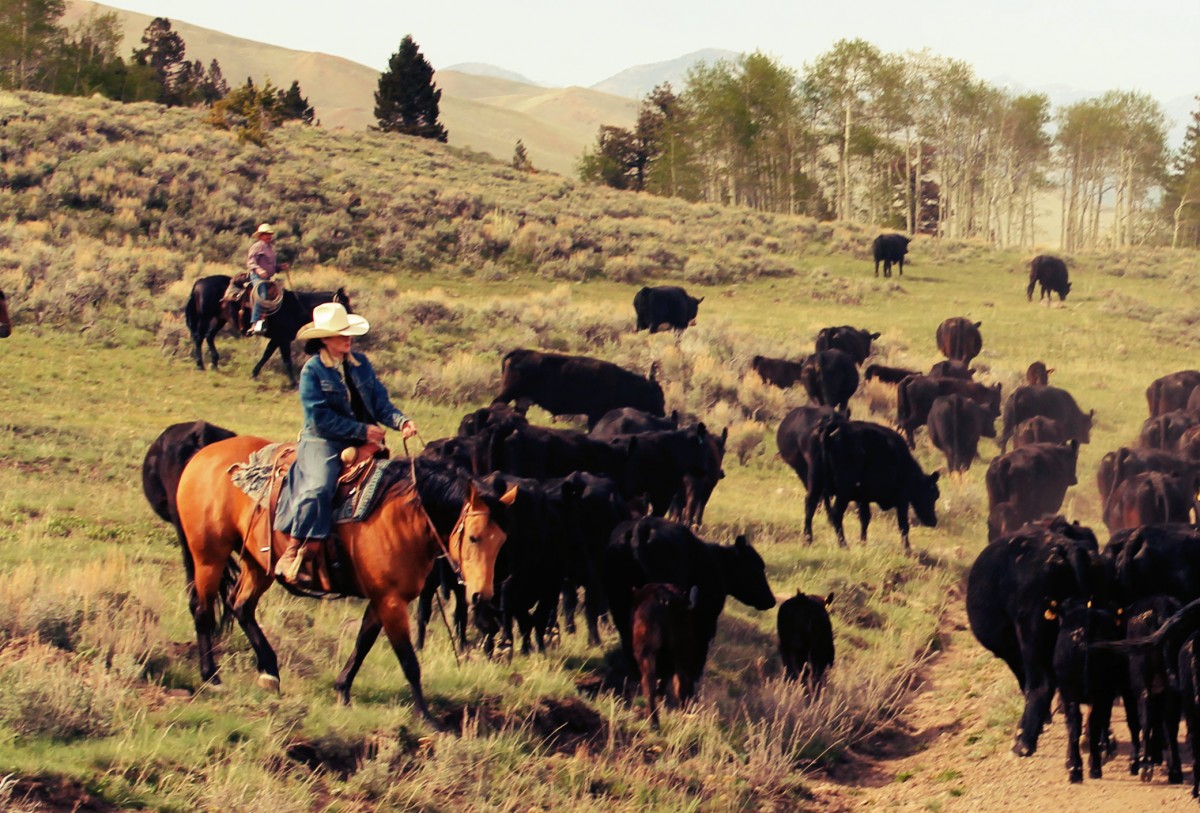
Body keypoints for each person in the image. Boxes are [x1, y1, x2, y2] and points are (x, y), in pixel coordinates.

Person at [273, 302, 417, 584]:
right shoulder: (312, 371)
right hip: (322, 441)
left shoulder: (361, 364)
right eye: (341, 334)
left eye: (349, 333)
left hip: (360, 439)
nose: (348, 338)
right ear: (325, 339)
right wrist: (362, 431)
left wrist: (401, 421)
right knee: (317, 487)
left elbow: (379, 402)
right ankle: (293, 551)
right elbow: (319, 418)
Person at [245, 223, 289, 336]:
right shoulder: (257, 246)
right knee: (262, 295)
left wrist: (280, 267)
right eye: (266, 234)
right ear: (260, 235)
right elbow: (250, 262)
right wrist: (259, 270)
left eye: (269, 234)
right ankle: (254, 323)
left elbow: (271, 266)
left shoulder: (270, 248)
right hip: (257, 276)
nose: (268, 236)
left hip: (267, 277)